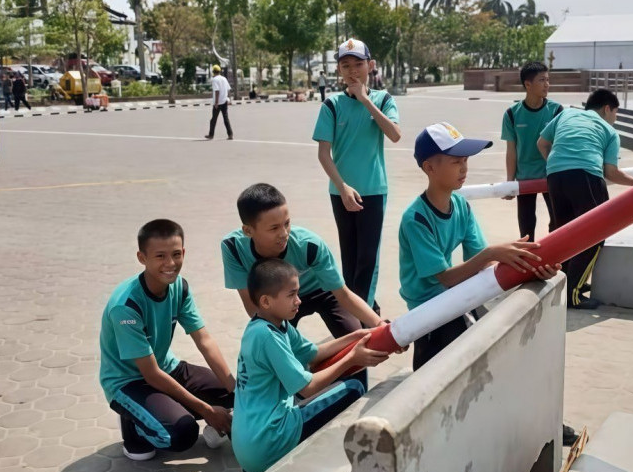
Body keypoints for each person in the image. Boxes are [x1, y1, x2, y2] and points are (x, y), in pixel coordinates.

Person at [400, 122, 561, 371]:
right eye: (456, 161)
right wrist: (492, 253)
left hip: (453, 296)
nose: (464, 168)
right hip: (427, 309)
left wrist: (530, 266)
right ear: (429, 168)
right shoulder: (416, 219)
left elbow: (486, 263)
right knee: (441, 369)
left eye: (465, 160)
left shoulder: (461, 206)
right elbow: (446, 277)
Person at [221, 183, 390, 390]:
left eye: (287, 223)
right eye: (274, 228)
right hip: (279, 300)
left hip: (323, 291)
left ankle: (355, 392)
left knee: (356, 340)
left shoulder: (309, 244)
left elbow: (343, 295)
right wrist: (286, 345)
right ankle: (295, 399)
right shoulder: (233, 248)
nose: (284, 233)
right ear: (248, 231)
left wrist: (379, 324)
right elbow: (254, 307)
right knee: (286, 355)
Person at [232, 258, 388, 472]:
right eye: (291, 295)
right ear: (266, 301)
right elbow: (308, 388)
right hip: (268, 443)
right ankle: (294, 460)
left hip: (247, 447)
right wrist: (352, 358)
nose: (299, 300)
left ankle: (268, 462)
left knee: (314, 386)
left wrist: (355, 336)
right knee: (353, 387)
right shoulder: (268, 337)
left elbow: (313, 353)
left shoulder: (268, 325)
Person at [99, 219, 235, 461]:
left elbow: (204, 340)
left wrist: (236, 389)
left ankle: (164, 408)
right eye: (160, 256)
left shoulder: (179, 287)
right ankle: (134, 425)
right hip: (128, 381)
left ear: (184, 252)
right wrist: (207, 411)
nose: (170, 263)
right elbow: (150, 374)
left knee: (235, 394)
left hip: (165, 367)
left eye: (176, 254)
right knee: (181, 434)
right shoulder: (126, 306)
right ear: (142, 258)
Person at [312, 38, 401, 320]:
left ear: (370, 66)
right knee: (350, 257)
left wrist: (365, 100)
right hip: (340, 192)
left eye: (358, 64)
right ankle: (362, 313)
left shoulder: (383, 100)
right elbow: (324, 153)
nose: (353, 71)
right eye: (346, 65)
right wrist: (342, 187)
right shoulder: (331, 105)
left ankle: (365, 319)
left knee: (367, 259)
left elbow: (395, 134)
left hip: (373, 190)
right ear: (338, 70)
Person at [538, 88, 633, 310]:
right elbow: (611, 172)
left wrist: (558, 164)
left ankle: (565, 283)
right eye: (616, 113)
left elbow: (542, 143)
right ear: (607, 108)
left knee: (565, 232)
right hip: (586, 176)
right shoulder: (609, 131)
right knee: (594, 235)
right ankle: (573, 294)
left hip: (555, 176)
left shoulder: (566, 114)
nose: (615, 119)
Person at [501, 62, 563, 242]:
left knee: (558, 222)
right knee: (526, 227)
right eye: (542, 80)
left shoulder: (556, 111)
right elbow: (511, 150)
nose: (547, 85)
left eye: (548, 80)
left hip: (551, 176)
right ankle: (528, 258)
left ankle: (554, 253)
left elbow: (560, 145)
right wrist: (510, 182)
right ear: (528, 84)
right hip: (525, 177)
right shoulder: (512, 114)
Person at [204, 64, 233, 140]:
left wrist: (216, 103)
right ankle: (230, 134)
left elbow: (217, 91)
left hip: (218, 102)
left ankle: (211, 135)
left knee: (213, 120)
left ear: (213, 71)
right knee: (226, 118)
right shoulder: (224, 78)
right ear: (219, 71)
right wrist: (229, 100)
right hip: (225, 101)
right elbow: (229, 90)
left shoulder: (215, 79)